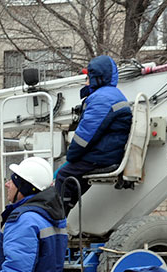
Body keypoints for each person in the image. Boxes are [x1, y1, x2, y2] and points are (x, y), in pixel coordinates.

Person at [54, 55, 132, 214]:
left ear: (98, 78)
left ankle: (56, 218)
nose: (85, 82)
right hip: (106, 153)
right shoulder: (110, 95)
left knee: (64, 175)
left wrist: (71, 157)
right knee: (74, 176)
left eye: (88, 78)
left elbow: (85, 136)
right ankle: (63, 212)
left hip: (102, 157)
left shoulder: (101, 98)